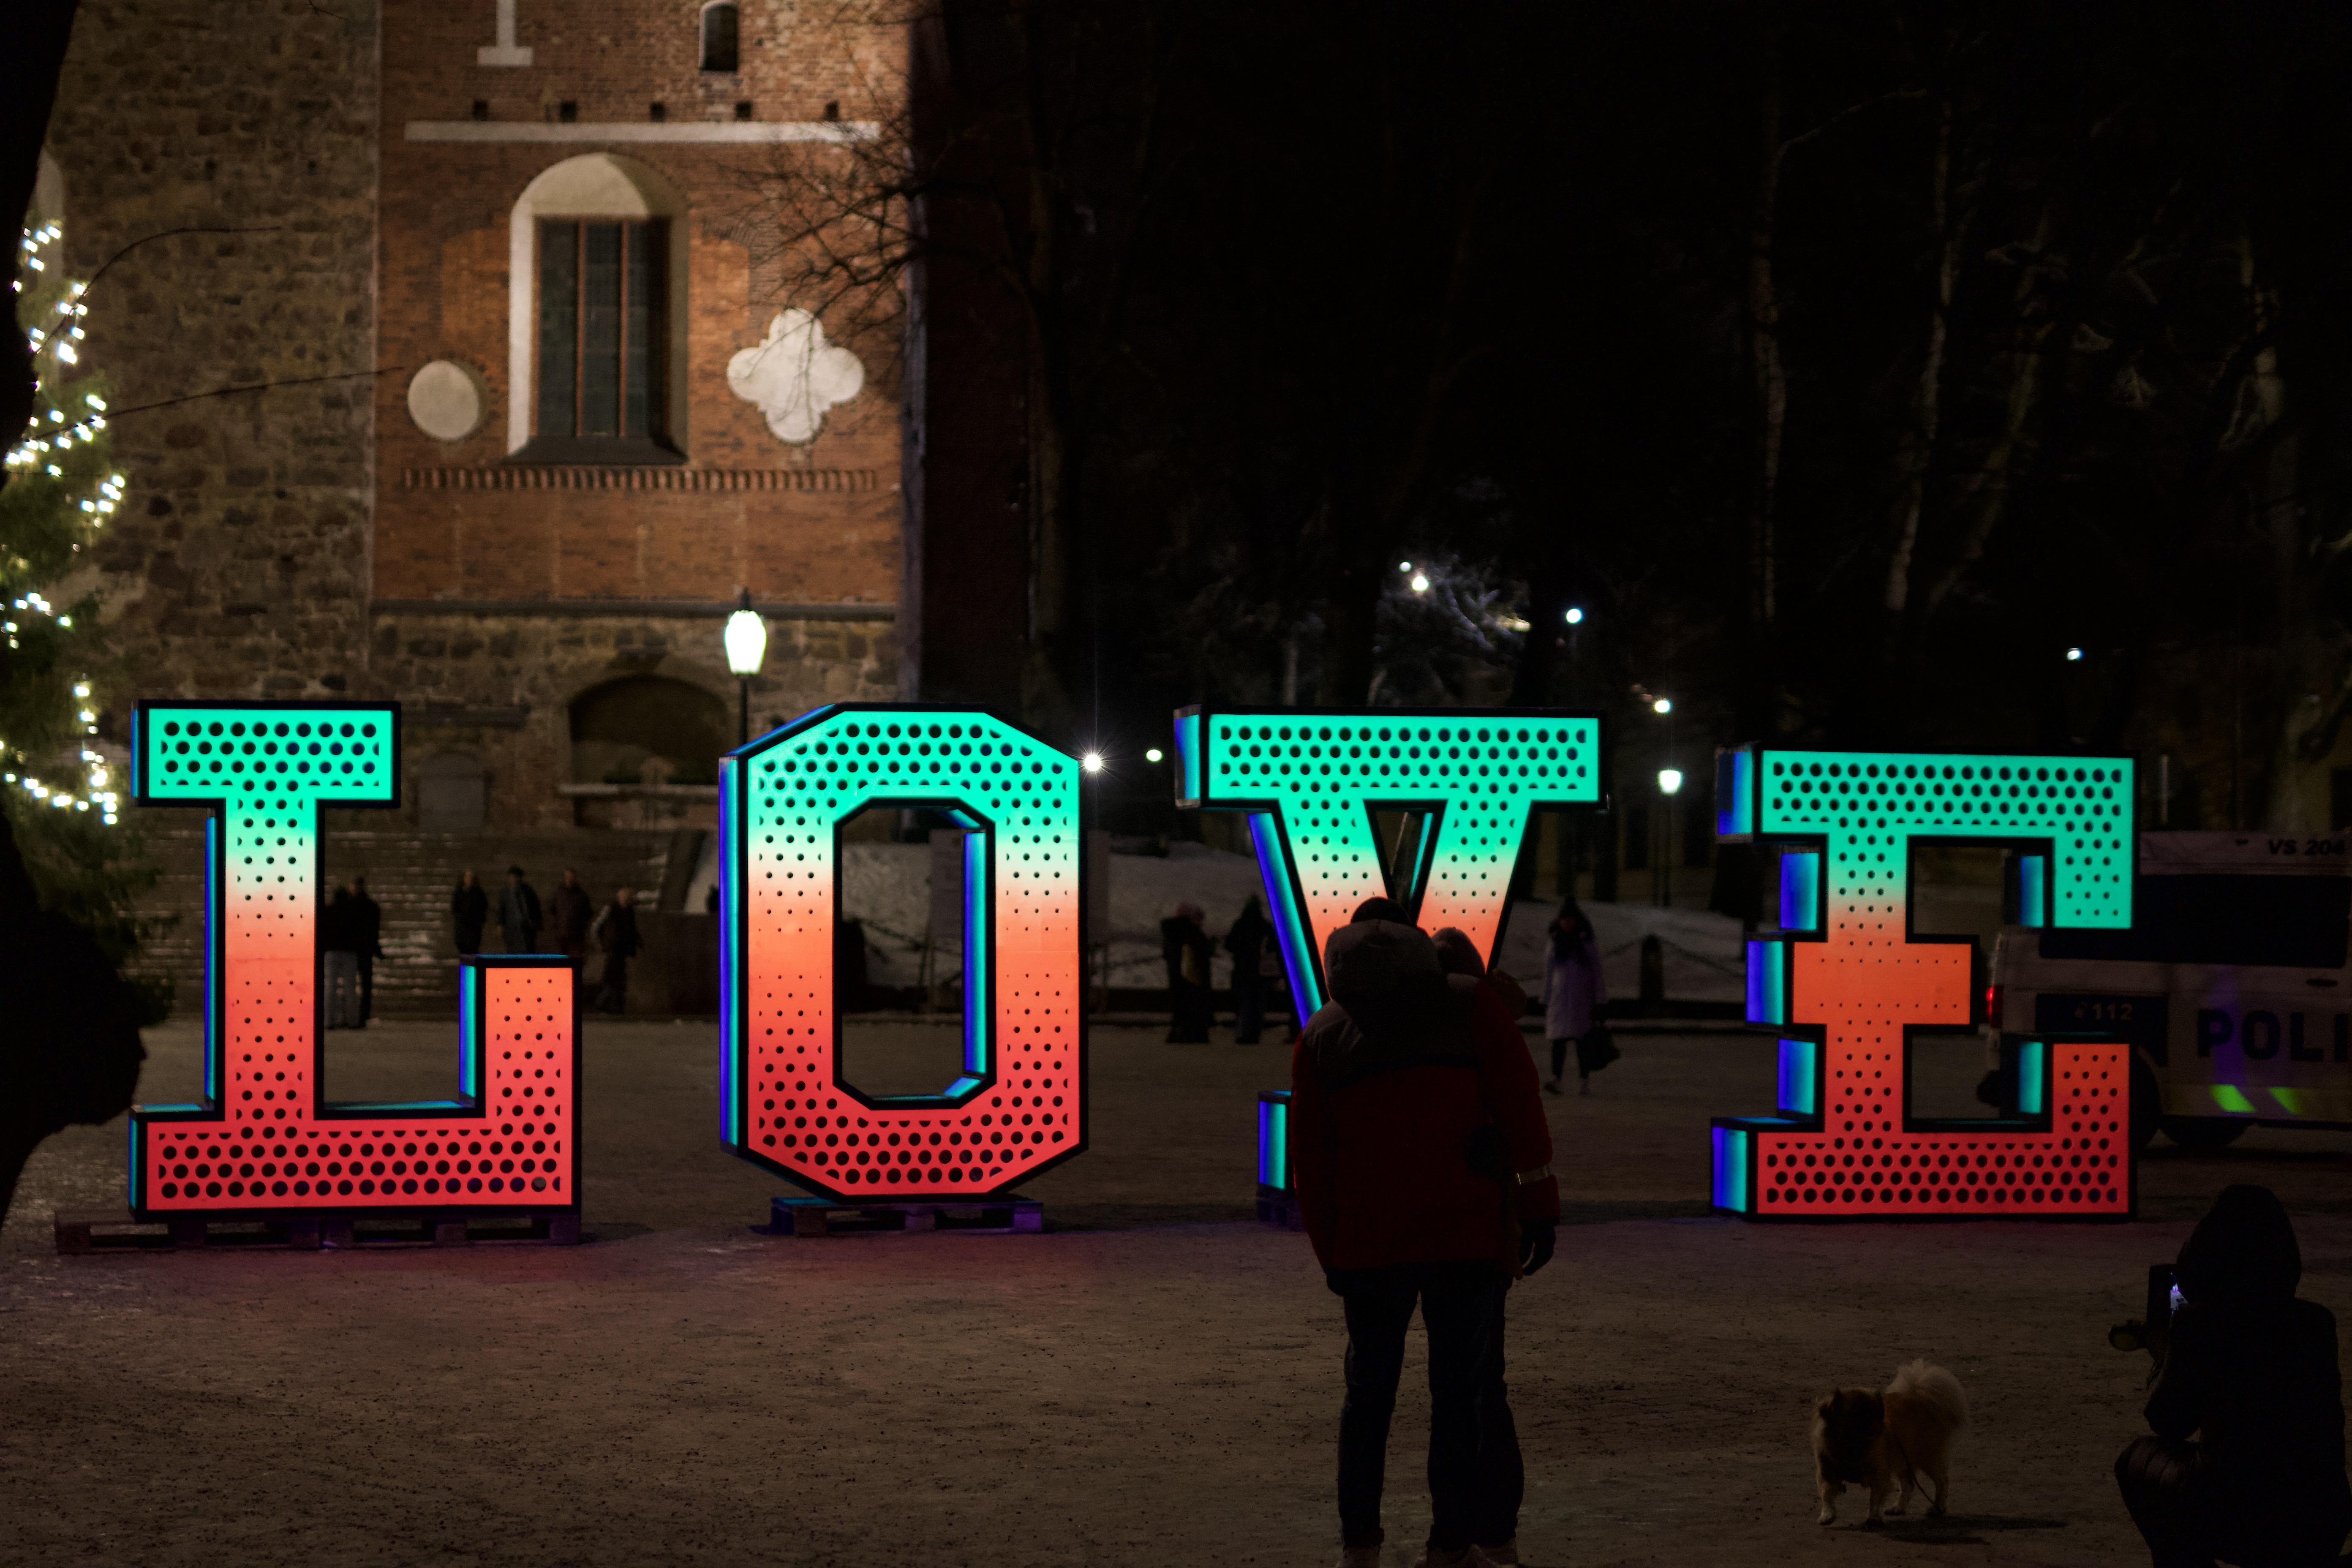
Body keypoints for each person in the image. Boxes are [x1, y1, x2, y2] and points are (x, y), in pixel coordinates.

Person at [1293, 896, 1559, 1568]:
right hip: (1462, 1232)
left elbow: (1312, 1162)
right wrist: (1539, 1205)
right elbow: (1521, 1108)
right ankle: (1451, 1545)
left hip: (1369, 1243)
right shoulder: (1471, 1007)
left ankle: (1360, 1547)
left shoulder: (1322, 1034)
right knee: (1460, 1397)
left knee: (1367, 1397)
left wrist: (1331, 1251)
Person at [2117, 1184, 2352, 1568]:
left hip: (2234, 1514)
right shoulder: (2316, 1323)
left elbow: (2168, 1421)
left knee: (2135, 1461)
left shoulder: (2201, 1324)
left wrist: (2164, 1357)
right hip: (2321, 1518)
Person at [1540, 899, 1608, 1095]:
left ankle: (1584, 1082)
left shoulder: (1585, 941)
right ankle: (1556, 1080)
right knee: (1558, 1042)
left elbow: (1596, 971)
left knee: (1582, 1043)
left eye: (1570, 919)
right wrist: (1546, 997)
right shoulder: (1555, 940)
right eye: (1564, 919)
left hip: (1581, 999)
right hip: (1560, 1000)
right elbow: (1549, 972)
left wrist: (1599, 999)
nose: (1567, 923)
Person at [1225, 895, 1277, 1044]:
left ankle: (1244, 1034)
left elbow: (1230, 945)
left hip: (1242, 970)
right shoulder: (1265, 926)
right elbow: (1273, 946)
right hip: (1261, 971)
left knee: (1244, 1003)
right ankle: (1255, 1034)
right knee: (1258, 1005)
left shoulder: (1240, 924)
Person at [1161, 901, 1215, 1043]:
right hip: (1192, 975)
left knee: (1179, 1005)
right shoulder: (1191, 933)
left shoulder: (1170, 932)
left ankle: (1178, 1033)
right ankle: (1193, 1034)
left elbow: (1166, 954)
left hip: (1175, 974)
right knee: (1194, 1004)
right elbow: (1202, 953)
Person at [592, 885, 642, 1015]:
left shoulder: (628, 912)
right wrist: (600, 944)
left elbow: (631, 931)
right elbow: (596, 928)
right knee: (613, 979)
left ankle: (610, 1005)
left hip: (621, 950)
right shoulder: (612, 910)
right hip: (613, 949)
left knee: (617, 979)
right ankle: (603, 1004)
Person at [321, 885, 360, 1029]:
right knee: (350, 988)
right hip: (349, 952)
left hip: (332, 951)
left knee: (330, 988)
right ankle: (352, 1021)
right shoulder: (353, 912)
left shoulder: (329, 911)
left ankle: (329, 1021)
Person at [349, 876, 384, 1026]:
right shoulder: (371, 906)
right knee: (365, 984)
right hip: (365, 949)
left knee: (351, 983)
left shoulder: (350, 906)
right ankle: (363, 1015)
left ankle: (353, 1015)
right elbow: (374, 931)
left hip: (353, 949)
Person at [550, 869, 593, 968]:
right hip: (562, 934)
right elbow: (553, 910)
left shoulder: (581, 896)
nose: (569, 880)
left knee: (576, 960)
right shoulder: (559, 894)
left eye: (571, 878)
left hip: (576, 935)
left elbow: (588, 913)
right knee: (562, 961)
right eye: (567, 877)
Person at [498, 865, 542, 954]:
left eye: (515, 877)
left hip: (526, 928)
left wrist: (536, 922)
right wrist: (500, 924)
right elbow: (501, 909)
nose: (513, 880)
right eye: (511, 877)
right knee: (513, 952)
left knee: (527, 951)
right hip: (511, 929)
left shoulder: (528, 891)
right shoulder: (506, 893)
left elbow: (535, 907)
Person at [451, 869, 488, 956]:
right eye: (467, 877)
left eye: (471, 877)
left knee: (473, 950)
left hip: (474, 928)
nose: (469, 879)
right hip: (462, 928)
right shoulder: (459, 893)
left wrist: (480, 920)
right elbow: (455, 909)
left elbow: (483, 908)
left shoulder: (479, 893)